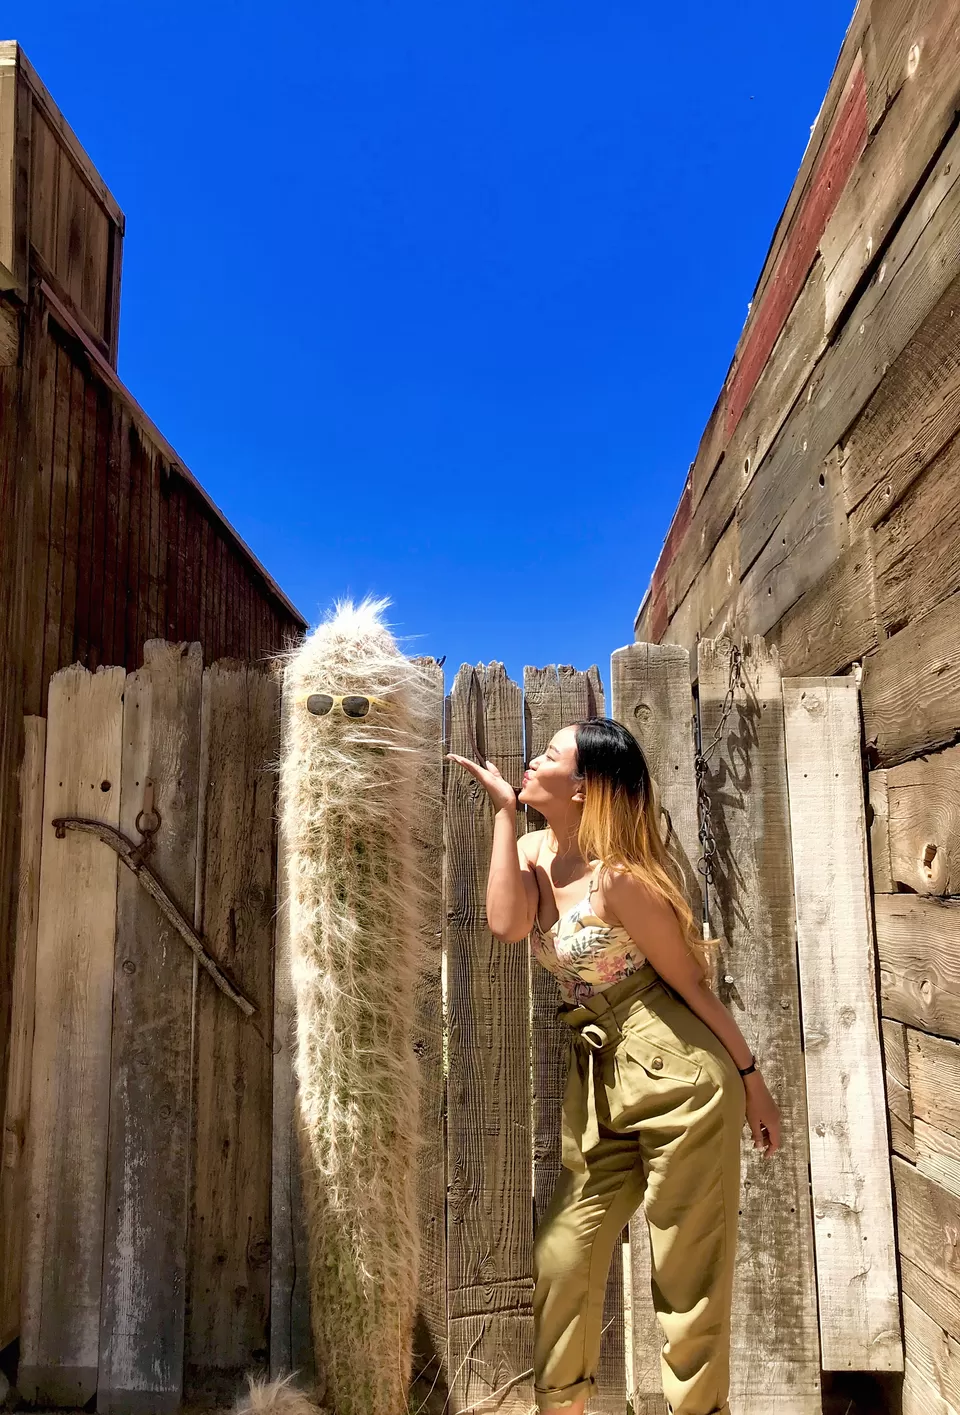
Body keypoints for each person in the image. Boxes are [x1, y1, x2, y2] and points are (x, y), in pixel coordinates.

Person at [445, 716, 780, 1415]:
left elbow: (691, 985)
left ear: (586, 786)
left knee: (686, 1277)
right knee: (564, 1252)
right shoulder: (535, 850)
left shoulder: (620, 881)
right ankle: (561, 1406)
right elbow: (507, 923)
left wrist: (751, 1079)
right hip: (598, 1083)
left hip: (679, 1079)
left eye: (550, 756)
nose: (531, 760)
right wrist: (506, 814)